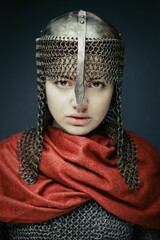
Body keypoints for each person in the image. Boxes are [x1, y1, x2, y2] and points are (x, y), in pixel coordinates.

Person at [0, 9, 160, 240]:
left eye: (96, 84)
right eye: (63, 81)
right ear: (43, 85)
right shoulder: (7, 161)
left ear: (114, 88)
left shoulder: (140, 163)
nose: (79, 102)